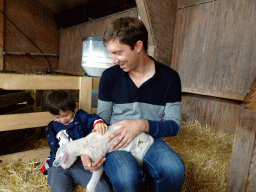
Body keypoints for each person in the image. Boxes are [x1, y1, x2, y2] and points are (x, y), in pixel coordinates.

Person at [80, 16, 186, 192]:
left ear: (138, 46)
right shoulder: (109, 77)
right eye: (111, 53)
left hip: (150, 139)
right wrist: (88, 147)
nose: (114, 60)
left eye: (118, 53)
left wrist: (142, 124)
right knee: (128, 179)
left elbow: (174, 126)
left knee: (174, 171)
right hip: (116, 140)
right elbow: (101, 120)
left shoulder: (170, 78)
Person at [39, 89, 111, 192]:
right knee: (58, 187)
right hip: (61, 165)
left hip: (82, 163)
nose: (63, 120)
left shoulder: (80, 116)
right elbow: (55, 146)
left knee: (102, 187)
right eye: (57, 117)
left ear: (73, 109)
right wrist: (51, 159)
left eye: (66, 115)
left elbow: (90, 119)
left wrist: (98, 123)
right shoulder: (53, 126)